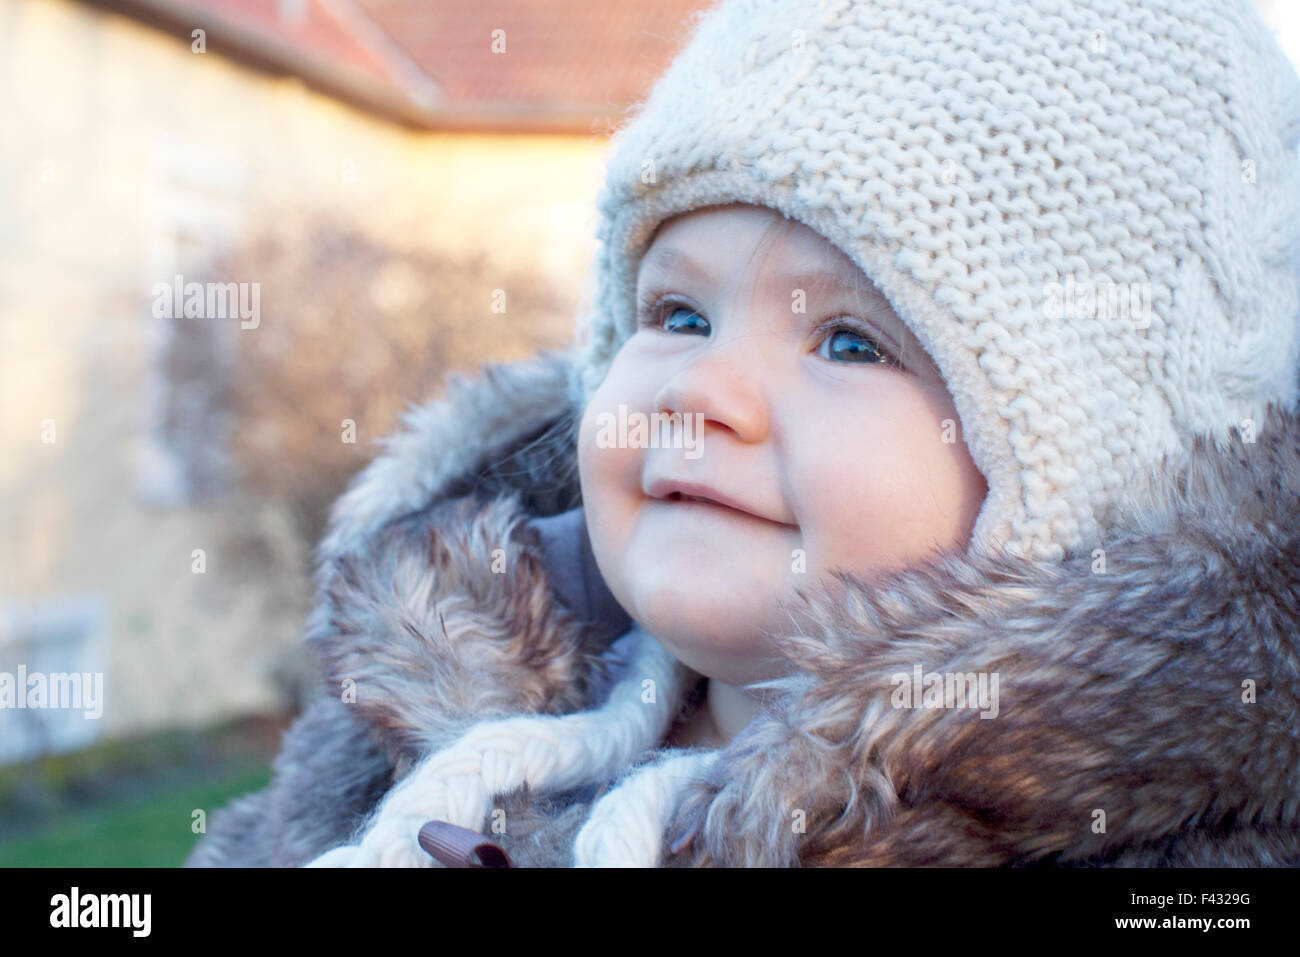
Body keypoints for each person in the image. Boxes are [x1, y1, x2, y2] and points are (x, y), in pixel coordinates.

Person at [186, 0, 1300, 868]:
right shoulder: (418, 735)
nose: (702, 387)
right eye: (677, 314)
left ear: (1096, 463)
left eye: (851, 344)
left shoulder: (1171, 848)